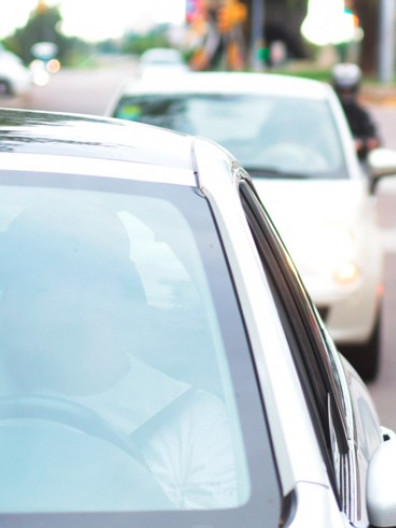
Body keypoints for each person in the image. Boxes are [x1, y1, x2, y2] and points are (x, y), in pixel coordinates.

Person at [0, 206, 238, 510]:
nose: (6, 308)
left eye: (33, 289)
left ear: (102, 296)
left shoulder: (194, 421)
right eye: (7, 287)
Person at [332, 62, 381, 158]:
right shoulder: (328, 113)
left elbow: (375, 141)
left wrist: (360, 144)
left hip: (357, 163)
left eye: (349, 90)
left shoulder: (361, 114)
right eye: (342, 90)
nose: (346, 94)